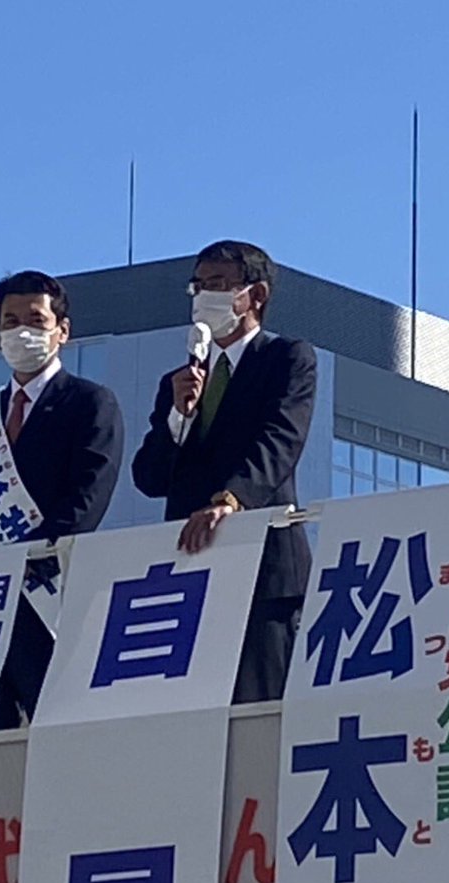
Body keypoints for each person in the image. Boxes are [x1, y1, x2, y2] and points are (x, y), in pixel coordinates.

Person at [0, 269, 124, 729]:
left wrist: (29, 555)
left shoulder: (90, 402)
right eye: (10, 321)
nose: (22, 332)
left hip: (51, 597)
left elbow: (88, 495)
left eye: (36, 320)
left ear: (62, 330)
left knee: (55, 727)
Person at [132, 240, 316, 702]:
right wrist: (178, 417)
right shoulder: (179, 381)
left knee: (259, 705)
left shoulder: (287, 359)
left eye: (217, 284)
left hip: (264, 568)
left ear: (256, 295)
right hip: (190, 569)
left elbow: (281, 440)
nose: (204, 297)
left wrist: (231, 500)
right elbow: (149, 478)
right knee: (189, 706)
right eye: (198, 286)